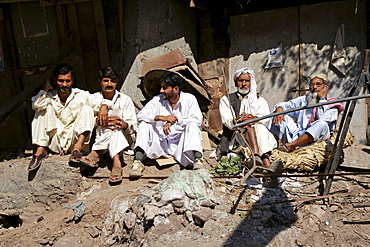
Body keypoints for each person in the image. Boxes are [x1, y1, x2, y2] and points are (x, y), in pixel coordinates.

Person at [28, 63, 108, 171]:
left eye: (67, 81)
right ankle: (40, 150)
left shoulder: (81, 94)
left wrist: (103, 107)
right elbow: (36, 105)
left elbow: (100, 101)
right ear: (55, 81)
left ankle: (77, 149)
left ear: (72, 81)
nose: (64, 84)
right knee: (42, 108)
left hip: (73, 141)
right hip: (55, 142)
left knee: (87, 109)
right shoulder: (49, 96)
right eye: (61, 81)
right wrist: (46, 87)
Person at [130, 71, 204, 178]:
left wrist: (174, 120)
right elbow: (141, 115)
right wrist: (161, 118)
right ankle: (138, 162)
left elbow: (197, 119)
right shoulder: (158, 100)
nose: (161, 90)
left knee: (192, 125)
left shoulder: (189, 99)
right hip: (161, 143)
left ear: (176, 89)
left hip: (181, 144)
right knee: (144, 124)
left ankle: (198, 160)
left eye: (165, 88)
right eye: (161, 87)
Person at [80, 67, 137, 183]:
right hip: (98, 136)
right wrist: (99, 121)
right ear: (100, 82)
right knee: (108, 126)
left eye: (113, 81)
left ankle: (95, 154)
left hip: (122, 138)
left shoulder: (125, 99)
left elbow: (133, 125)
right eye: (106, 81)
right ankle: (117, 164)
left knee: (115, 128)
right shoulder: (93, 98)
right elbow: (85, 121)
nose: (109, 84)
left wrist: (123, 124)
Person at [218, 67, 277, 168]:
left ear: (251, 83)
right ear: (236, 83)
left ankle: (257, 157)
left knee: (260, 127)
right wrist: (239, 120)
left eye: (247, 81)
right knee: (247, 126)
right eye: (241, 81)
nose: (244, 84)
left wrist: (253, 119)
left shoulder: (260, 100)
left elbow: (265, 119)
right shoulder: (226, 99)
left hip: (259, 133)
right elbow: (227, 121)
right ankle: (266, 163)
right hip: (237, 134)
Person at [269, 74, 344, 152]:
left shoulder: (332, 104)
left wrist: (322, 100)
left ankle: (291, 146)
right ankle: (277, 145)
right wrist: (279, 109)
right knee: (277, 115)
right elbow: (284, 105)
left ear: (326, 87)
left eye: (318, 84)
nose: (314, 87)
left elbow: (323, 119)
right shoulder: (304, 100)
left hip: (317, 140)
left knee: (322, 124)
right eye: (312, 84)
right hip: (298, 135)